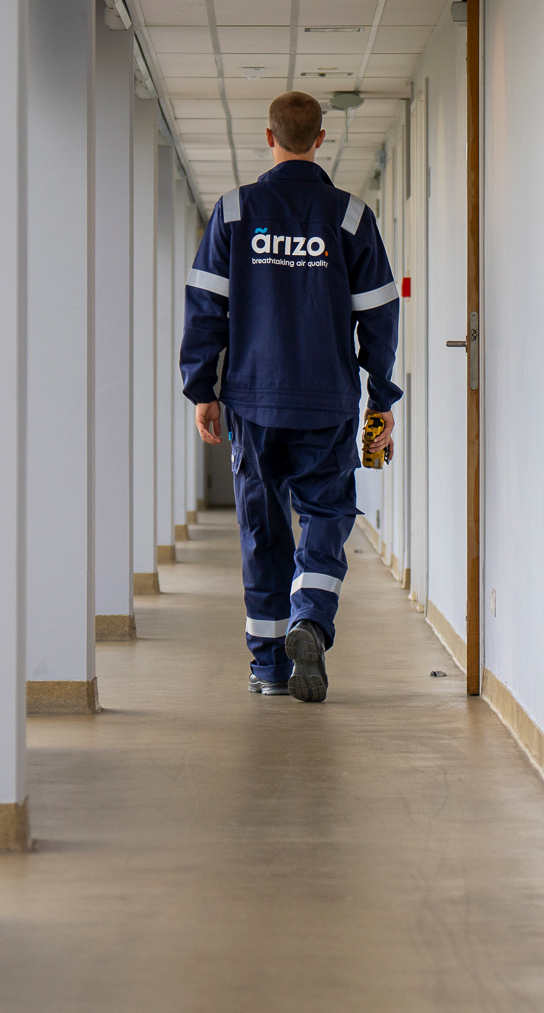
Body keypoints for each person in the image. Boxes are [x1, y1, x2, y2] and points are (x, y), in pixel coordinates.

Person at [179, 91, 401, 702]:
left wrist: (203, 388)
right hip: (328, 401)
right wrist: (380, 393)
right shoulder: (351, 218)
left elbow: (206, 308)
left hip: (253, 402)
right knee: (327, 512)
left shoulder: (232, 213)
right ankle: (311, 619)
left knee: (264, 530)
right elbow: (380, 314)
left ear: (269, 138)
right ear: (321, 139)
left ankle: (270, 669)